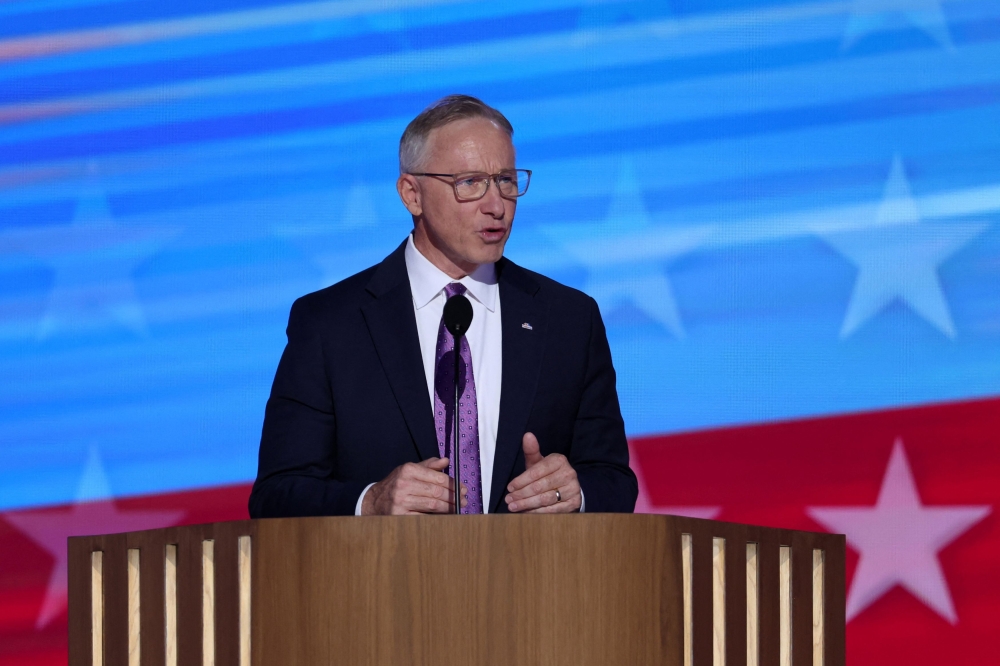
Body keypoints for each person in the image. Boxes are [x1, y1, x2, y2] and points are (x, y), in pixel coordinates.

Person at [249, 95, 636, 517]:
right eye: (470, 183)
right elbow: (277, 496)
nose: (496, 205)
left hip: (530, 578)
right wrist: (369, 502)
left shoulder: (568, 320)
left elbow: (613, 481)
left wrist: (576, 494)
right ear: (411, 195)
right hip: (380, 579)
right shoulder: (330, 325)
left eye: (506, 180)